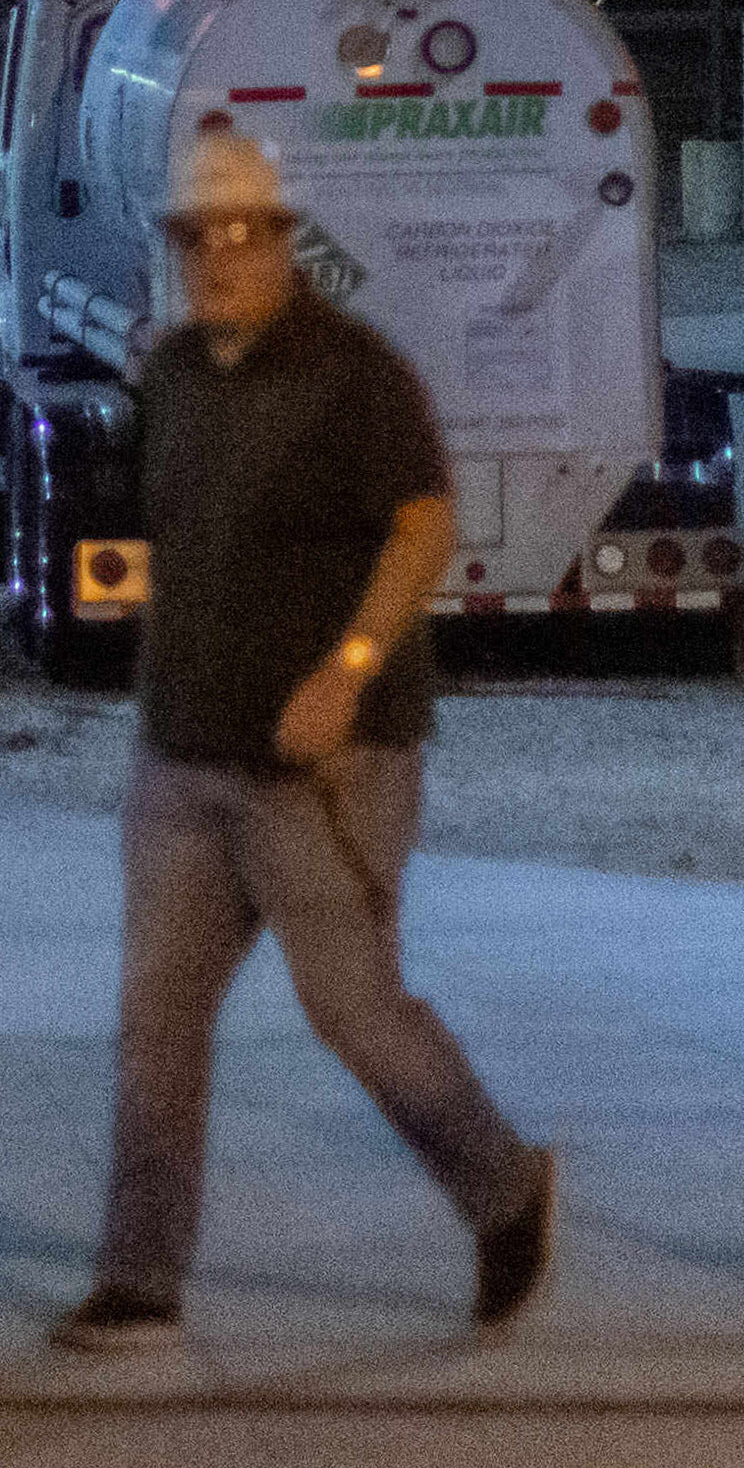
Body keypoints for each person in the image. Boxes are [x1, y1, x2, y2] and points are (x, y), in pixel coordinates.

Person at [53, 118, 558, 1349]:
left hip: (327, 766)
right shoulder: (170, 376)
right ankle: (140, 1274)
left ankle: (504, 1185)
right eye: (197, 238)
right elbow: (173, 543)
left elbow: (424, 529)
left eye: (242, 235)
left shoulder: (352, 373)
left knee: (351, 1007)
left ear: (281, 244)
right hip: (183, 760)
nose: (218, 258)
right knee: (156, 1018)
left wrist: (345, 669)